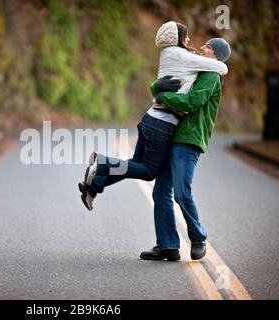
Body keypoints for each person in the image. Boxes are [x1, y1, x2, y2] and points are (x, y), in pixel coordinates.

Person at [79, 21, 228, 212]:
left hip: (151, 119)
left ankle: (93, 186)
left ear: (216, 55)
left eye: (208, 46)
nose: (198, 45)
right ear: (178, 38)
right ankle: (101, 162)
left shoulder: (175, 56)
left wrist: (157, 90)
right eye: (188, 37)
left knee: (134, 165)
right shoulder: (189, 60)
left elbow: (157, 85)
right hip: (161, 123)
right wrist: (162, 95)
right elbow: (219, 72)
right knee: (148, 172)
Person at [140, 37, 231, 261]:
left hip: (189, 139)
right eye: (205, 44)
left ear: (217, 56)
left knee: (181, 193)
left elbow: (191, 102)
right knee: (160, 191)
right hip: (171, 134)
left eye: (209, 47)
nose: (202, 47)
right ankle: (168, 245)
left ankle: (198, 237)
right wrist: (157, 88)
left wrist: (162, 96)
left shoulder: (210, 76)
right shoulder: (194, 69)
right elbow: (164, 81)